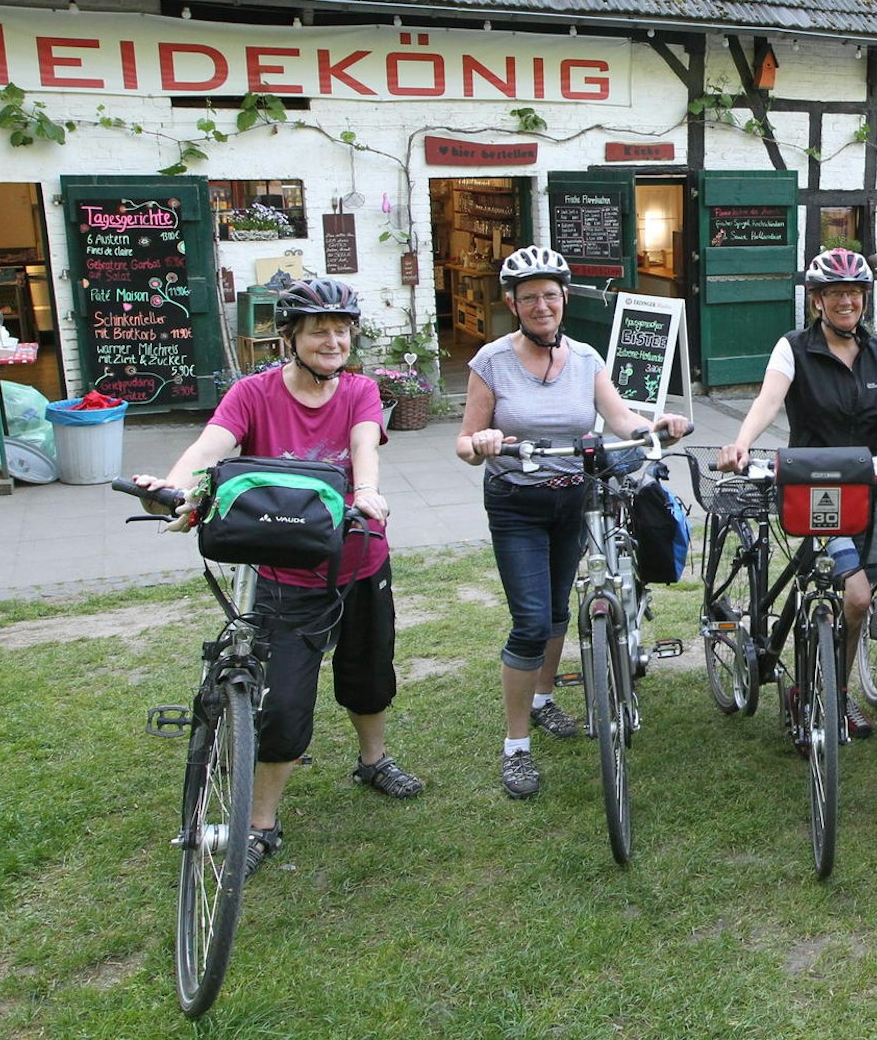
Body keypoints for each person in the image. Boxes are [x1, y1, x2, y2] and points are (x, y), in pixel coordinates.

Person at [134, 278, 420, 876]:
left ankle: (373, 761)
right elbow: (211, 446)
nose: (333, 341)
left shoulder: (360, 390)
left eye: (342, 331)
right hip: (285, 573)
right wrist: (174, 487)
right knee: (283, 704)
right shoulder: (252, 394)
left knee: (370, 674)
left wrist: (366, 490)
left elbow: (364, 447)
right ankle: (261, 823)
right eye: (319, 331)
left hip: (360, 558)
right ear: (290, 336)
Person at [456, 246, 690, 799]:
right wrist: (482, 442)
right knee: (530, 622)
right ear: (513, 304)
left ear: (564, 299)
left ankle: (543, 700)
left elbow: (620, 417)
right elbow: (465, 442)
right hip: (516, 502)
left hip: (575, 499)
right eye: (529, 298)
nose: (541, 306)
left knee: (559, 609)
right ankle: (516, 746)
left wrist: (655, 426)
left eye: (550, 296)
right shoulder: (491, 361)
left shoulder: (585, 358)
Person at [718, 248, 877, 739]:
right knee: (856, 595)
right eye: (835, 294)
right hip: (817, 490)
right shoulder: (793, 348)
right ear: (817, 300)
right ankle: (821, 689)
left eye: (854, 293)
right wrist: (741, 443)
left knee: (858, 602)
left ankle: (835, 689)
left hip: (872, 486)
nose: (846, 302)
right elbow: (769, 399)